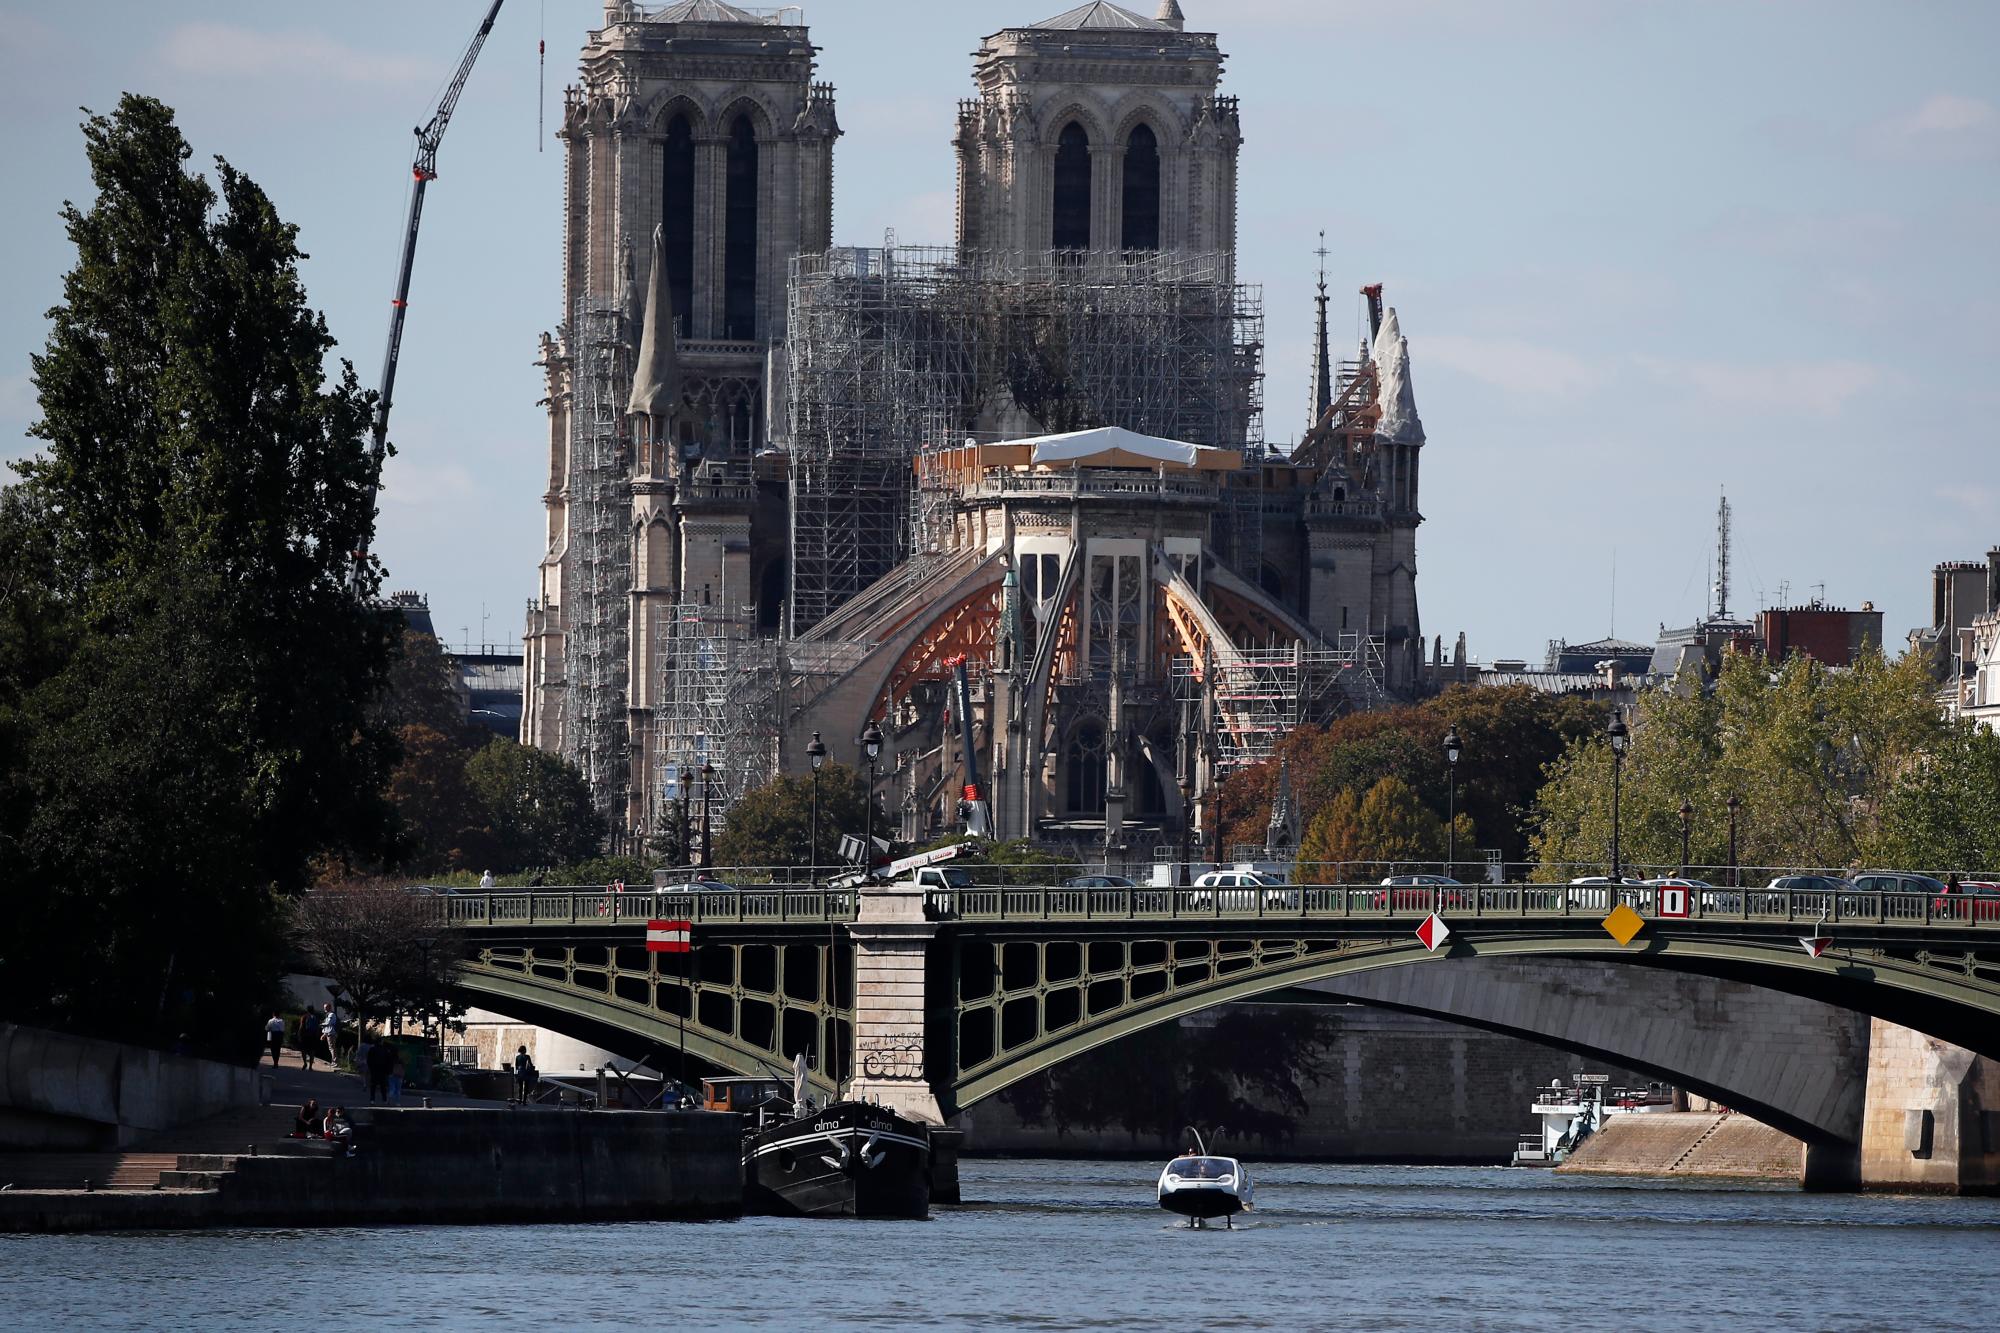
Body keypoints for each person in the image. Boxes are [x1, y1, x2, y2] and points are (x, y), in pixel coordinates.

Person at [365, 1038, 394, 1104]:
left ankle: (372, 1099)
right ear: (381, 1042)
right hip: (383, 1070)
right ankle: (384, 1100)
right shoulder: (385, 1050)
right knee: (383, 1086)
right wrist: (388, 1070)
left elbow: (369, 1060)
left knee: (373, 1085)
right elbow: (389, 1061)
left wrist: (371, 1068)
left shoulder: (372, 1049)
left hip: (374, 1070)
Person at [298, 1006, 320, 1072]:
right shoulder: (315, 1018)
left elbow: (301, 1027)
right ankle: (310, 1066)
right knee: (312, 1051)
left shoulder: (304, 1017)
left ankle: (305, 1063)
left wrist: (299, 1035)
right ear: (313, 1010)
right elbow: (317, 1028)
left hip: (305, 1036)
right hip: (313, 1036)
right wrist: (317, 1036)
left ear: (307, 1010)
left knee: (304, 1050)